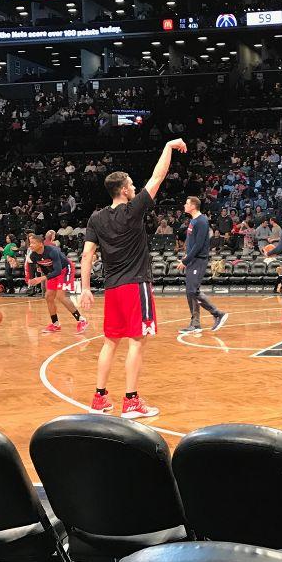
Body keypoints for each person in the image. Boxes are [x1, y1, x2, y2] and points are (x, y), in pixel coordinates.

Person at [80, 138, 188, 419]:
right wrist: (168, 146)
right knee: (137, 342)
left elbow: (86, 255)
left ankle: (100, 398)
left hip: (112, 287)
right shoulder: (133, 208)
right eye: (131, 183)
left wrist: (85, 289)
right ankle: (131, 401)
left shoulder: (96, 218)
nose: (134, 186)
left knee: (110, 342)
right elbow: (158, 175)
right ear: (124, 189)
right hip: (136, 284)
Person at [178, 196, 227, 335]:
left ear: (193, 206)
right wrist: (186, 256)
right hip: (193, 259)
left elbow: (199, 245)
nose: (184, 205)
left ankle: (218, 313)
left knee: (193, 290)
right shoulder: (194, 220)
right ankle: (195, 324)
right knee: (190, 291)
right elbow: (192, 243)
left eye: (186, 203)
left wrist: (185, 261)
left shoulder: (202, 221)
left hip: (199, 260)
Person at [24, 233, 87, 335]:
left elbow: (57, 271)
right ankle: (55, 324)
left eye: (33, 243)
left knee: (60, 296)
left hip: (65, 269)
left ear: (41, 244)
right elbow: (32, 267)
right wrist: (31, 279)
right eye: (30, 243)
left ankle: (81, 320)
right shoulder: (33, 255)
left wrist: (42, 278)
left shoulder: (52, 251)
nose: (30, 245)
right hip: (52, 272)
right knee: (48, 296)